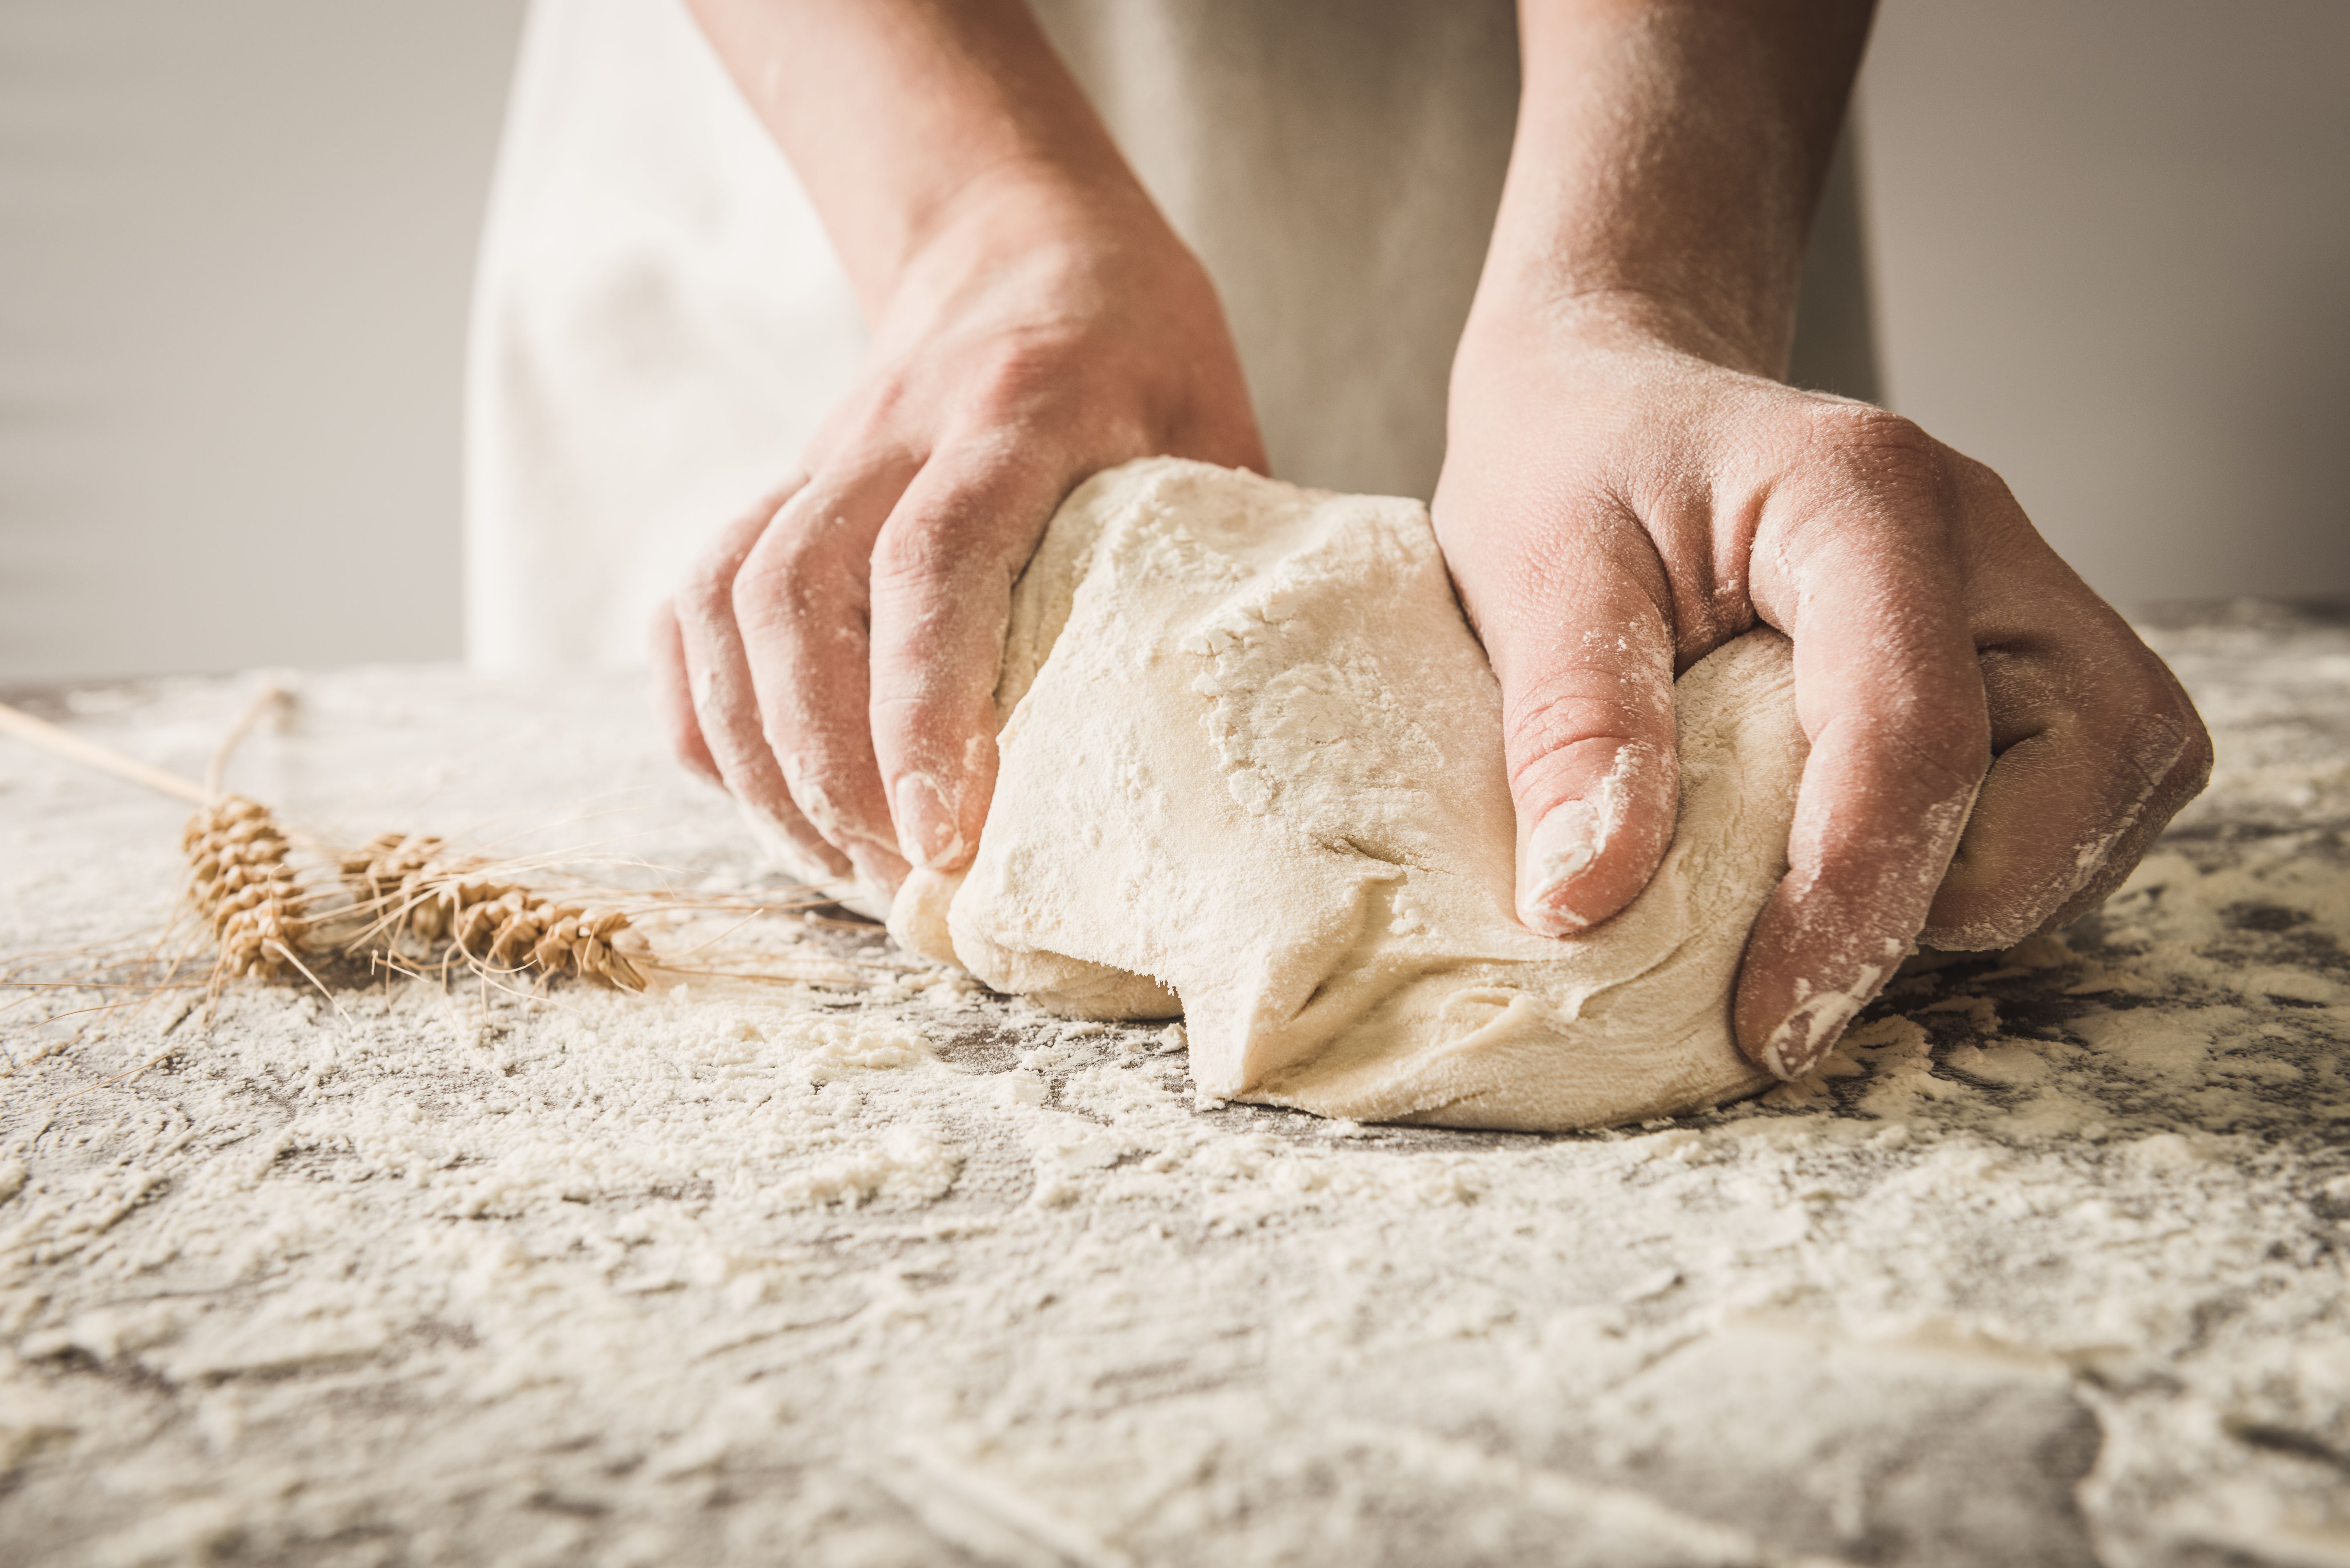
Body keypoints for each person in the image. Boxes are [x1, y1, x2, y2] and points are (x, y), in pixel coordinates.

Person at [469, 0, 2209, 1083]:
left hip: (1602, 119)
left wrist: (1632, 290)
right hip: (847, 148)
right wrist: (972, 233)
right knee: (905, 689)